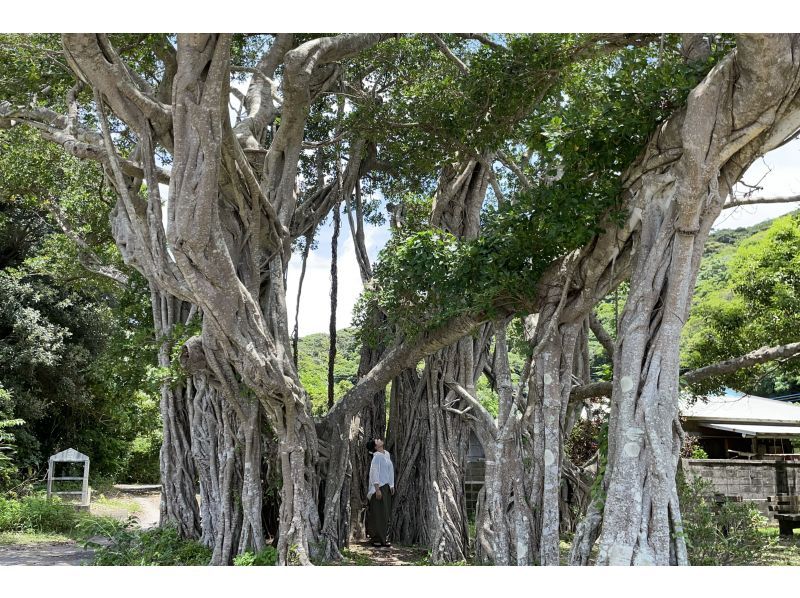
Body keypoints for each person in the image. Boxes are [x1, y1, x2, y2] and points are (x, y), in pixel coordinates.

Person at [366, 437, 394, 547]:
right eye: (376, 441)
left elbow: (390, 470)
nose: (379, 439)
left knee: (385, 513)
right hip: (378, 488)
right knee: (378, 514)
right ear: (375, 447)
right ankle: (376, 539)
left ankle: (384, 539)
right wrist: (377, 489)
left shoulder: (386, 454)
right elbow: (374, 473)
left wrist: (391, 485)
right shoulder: (376, 457)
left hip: (386, 487)